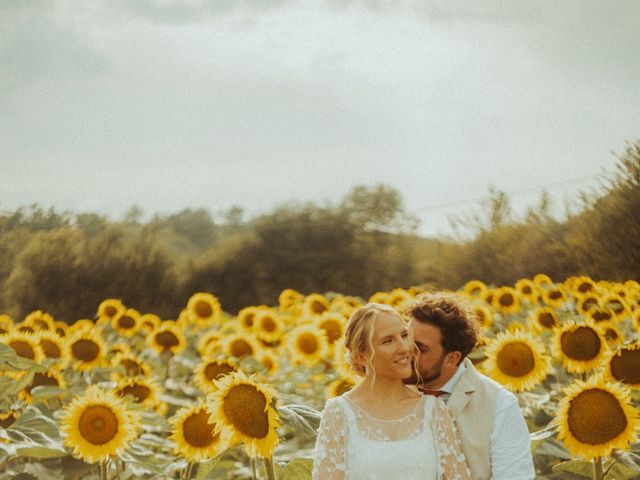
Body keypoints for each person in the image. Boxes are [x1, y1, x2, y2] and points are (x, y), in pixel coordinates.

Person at [312, 303, 471, 480]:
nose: (404, 348)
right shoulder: (338, 413)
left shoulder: (434, 410)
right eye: (388, 341)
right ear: (361, 357)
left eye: (404, 335)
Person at [403, 292, 535, 480]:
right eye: (405, 338)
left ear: (452, 359)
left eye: (420, 349)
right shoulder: (386, 390)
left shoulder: (499, 404)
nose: (406, 351)